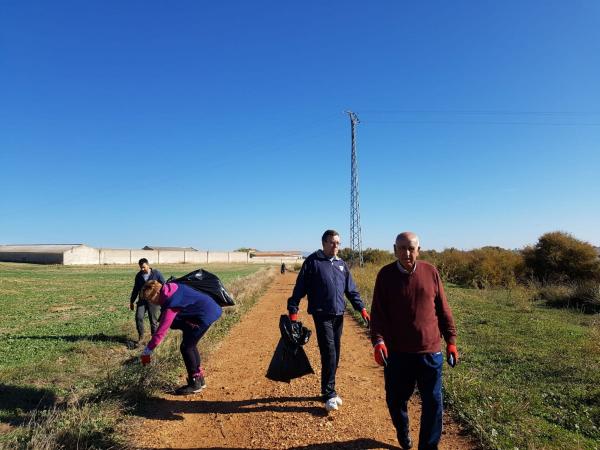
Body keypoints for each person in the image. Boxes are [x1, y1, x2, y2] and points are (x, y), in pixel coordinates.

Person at [370, 232, 458, 450]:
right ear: (394, 249)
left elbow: (443, 308)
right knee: (395, 400)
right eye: (402, 248)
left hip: (430, 351)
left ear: (419, 249)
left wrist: (451, 340)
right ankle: (403, 430)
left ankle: (428, 446)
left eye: (411, 248)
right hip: (398, 353)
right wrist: (378, 341)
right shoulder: (386, 275)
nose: (407, 253)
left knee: (433, 403)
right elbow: (378, 314)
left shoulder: (431, 272)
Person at [287, 229, 370, 412]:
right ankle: (329, 393)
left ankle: (329, 387)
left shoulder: (341, 264)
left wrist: (362, 309)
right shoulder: (313, 262)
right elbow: (299, 288)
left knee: (336, 353)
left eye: (338, 243)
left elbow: (351, 291)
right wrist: (293, 311)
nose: (336, 246)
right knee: (329, 352)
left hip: (339, 315)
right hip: (321, 314)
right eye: (332, 243)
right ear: (324, 243)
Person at [139, 279, 222, 395]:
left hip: (204, 315)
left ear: (157, 293)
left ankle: (195, 382)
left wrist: (147, 351)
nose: (151, 302)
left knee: (186, 347)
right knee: (190, 345)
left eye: (150, 299)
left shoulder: (172, 303)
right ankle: (199, 379)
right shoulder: (171, 287)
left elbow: (161, 331)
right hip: (208, 309)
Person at [129, 258, 165, 344]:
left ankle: (154, 340)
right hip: (142, 300)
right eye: (140, 267)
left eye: (144, 267)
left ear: (148, 265)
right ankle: (141, 337)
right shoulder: (139, 276)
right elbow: (136, 289)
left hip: (153, 301)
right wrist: (131, 301)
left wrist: (164, 299)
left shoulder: (156, 273)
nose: (142, 269)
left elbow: (164, 285)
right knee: (138, 317)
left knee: (153, 321)